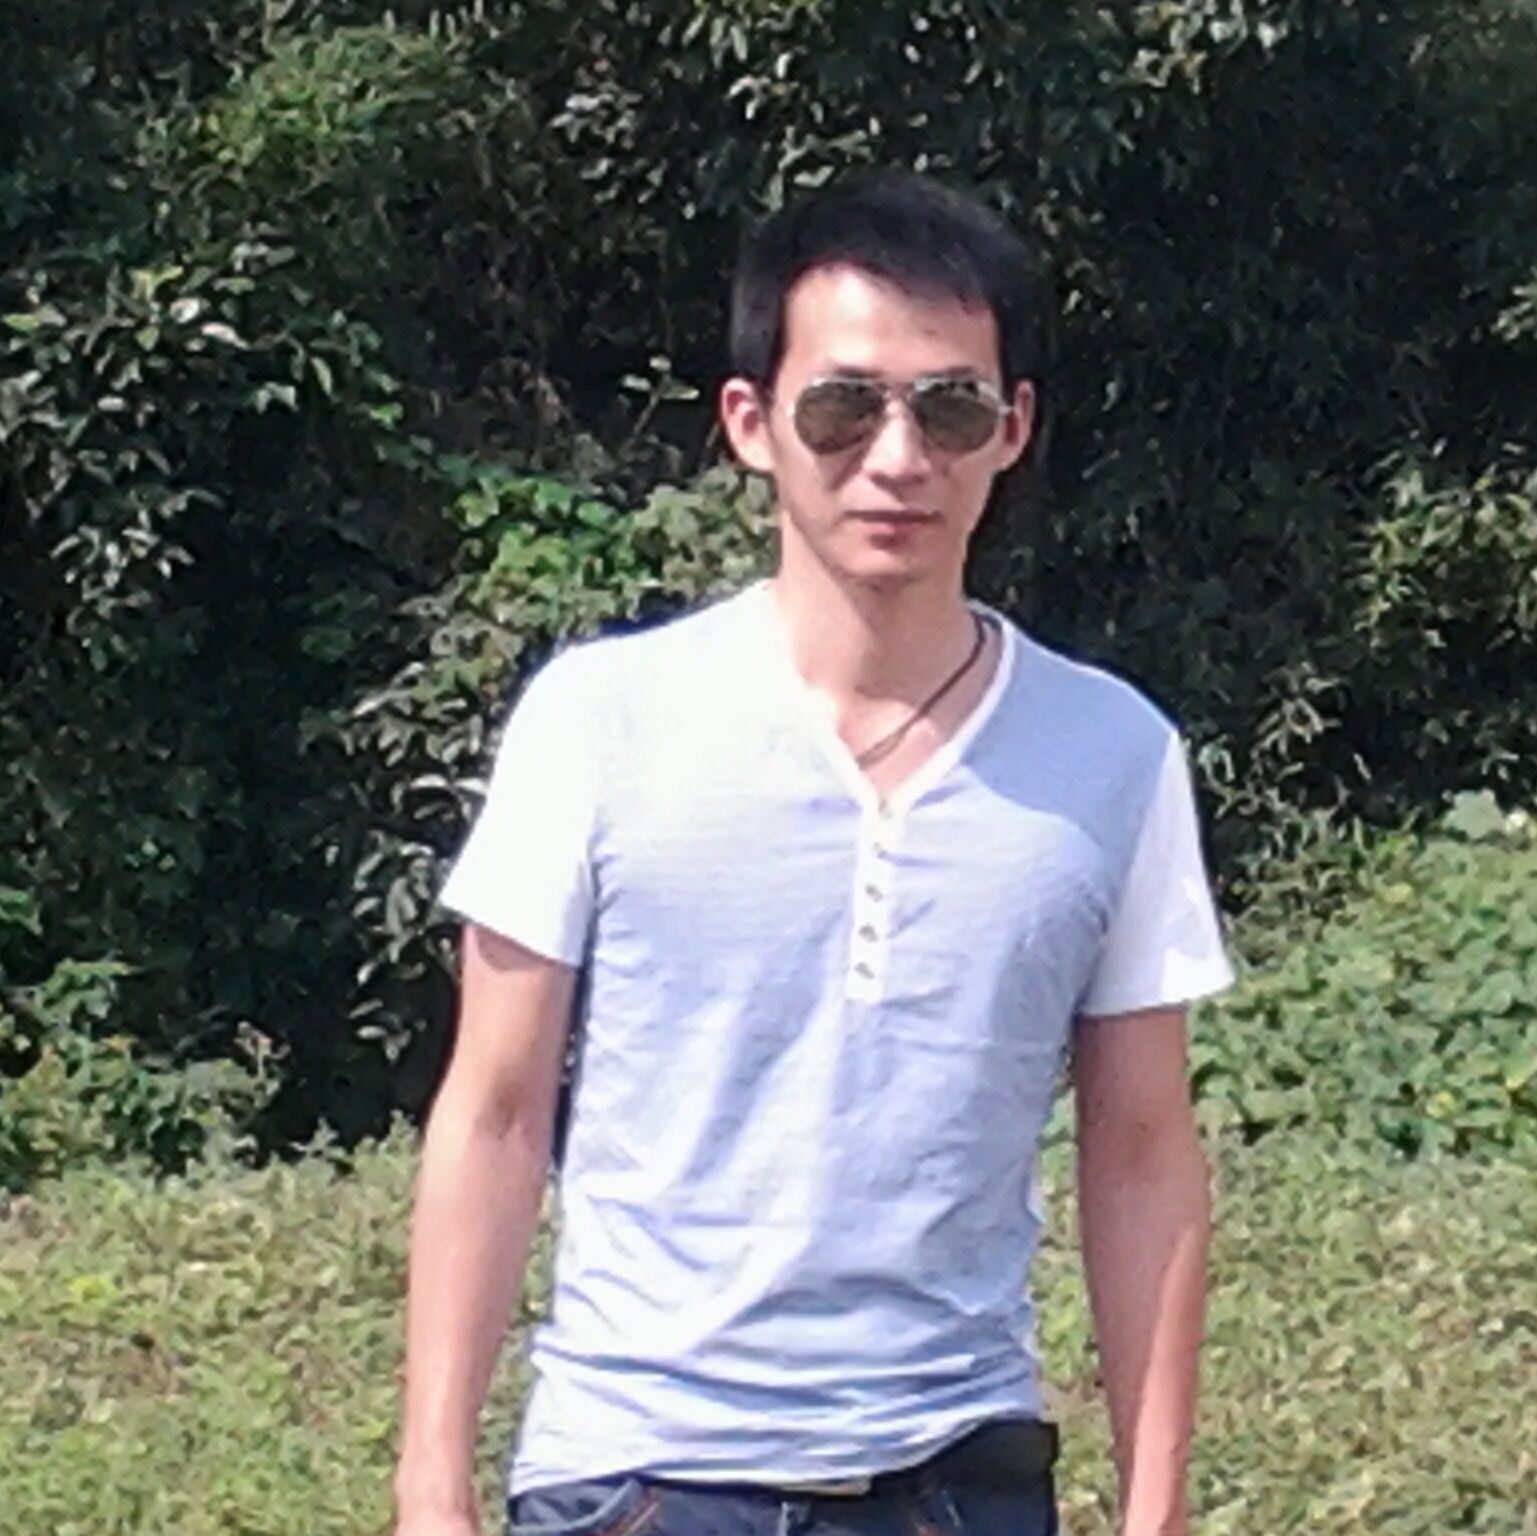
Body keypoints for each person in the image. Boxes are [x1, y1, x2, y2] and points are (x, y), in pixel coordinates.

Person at [392, 168, 1233, 1536]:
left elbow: (1140, 1151)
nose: (898, 458)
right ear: (751, 423)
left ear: (1012, 429)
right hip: (641, 1480)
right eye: (844, 407)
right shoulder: (600, 719)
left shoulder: (1114, 755)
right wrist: (430, 1485)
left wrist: (1156, 1511)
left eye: (949, 408)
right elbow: (494, 1111)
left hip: (957, 1479)